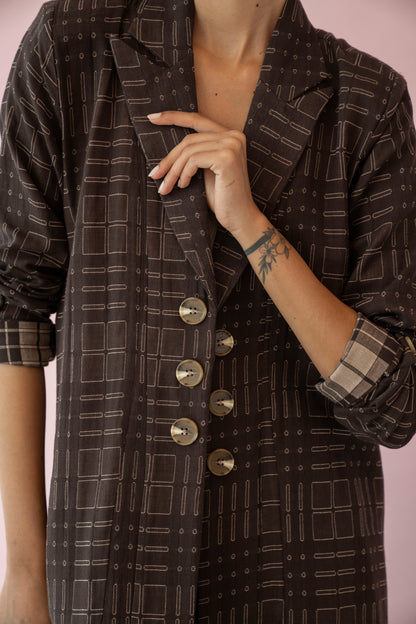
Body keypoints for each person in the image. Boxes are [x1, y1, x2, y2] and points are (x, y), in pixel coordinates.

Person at [0, 0, 415, 621]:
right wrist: (25, 574)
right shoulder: (73, 44)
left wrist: (251, 225)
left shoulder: (368, 99)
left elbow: (396, 404)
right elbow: (15, 310)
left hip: (301, 566)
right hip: (111, 560)